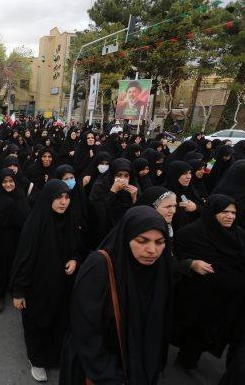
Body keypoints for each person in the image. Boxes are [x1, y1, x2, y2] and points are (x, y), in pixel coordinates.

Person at [60, 206, 171, 385]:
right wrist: (108, 374)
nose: (152, 250)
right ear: (126, 236)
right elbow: (84, 328)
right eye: (142, 241)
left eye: (160, 242)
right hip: (99, 369)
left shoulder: (160, 269)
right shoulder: (99, 266)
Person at [174, 194, 245, 369]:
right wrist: (191, 264)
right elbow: (176, 260)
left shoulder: (240, 234)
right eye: (224, 212)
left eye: (233, 213)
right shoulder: (190, 234)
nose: (230, 216)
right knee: (194, 340)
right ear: (212, 212)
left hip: (234, 302)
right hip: (202, 301)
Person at [10, 180, 78, 382]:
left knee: (59, 322)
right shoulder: (35, 224)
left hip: (62, 287)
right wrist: (19, 292)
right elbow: (24, 260)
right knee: (36, 324)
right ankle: (37, 360)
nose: (63, 202)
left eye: (67, 197)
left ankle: (53, 356)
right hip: (37, 288)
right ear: (48, 198)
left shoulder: (69, 220)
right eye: (58, 197)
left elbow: (76, 247)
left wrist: (74, 259)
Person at [0, 169, 30, 313]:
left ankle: (16, 291)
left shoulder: (20, 195)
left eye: (11, 181)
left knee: (16, 265)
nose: (8, 184)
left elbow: (25, 217)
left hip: (16, 238)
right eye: (4, 181)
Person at [89, 158, 138, 247]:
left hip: (124, 231)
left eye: (126, 176)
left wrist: (134, 198)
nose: (122, 179)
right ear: (112, 175)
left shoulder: (133, 187)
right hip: (105, 231)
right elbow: (97, 211)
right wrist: (112, 191)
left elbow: (137, 213)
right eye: (119, 175)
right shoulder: (100, 185)